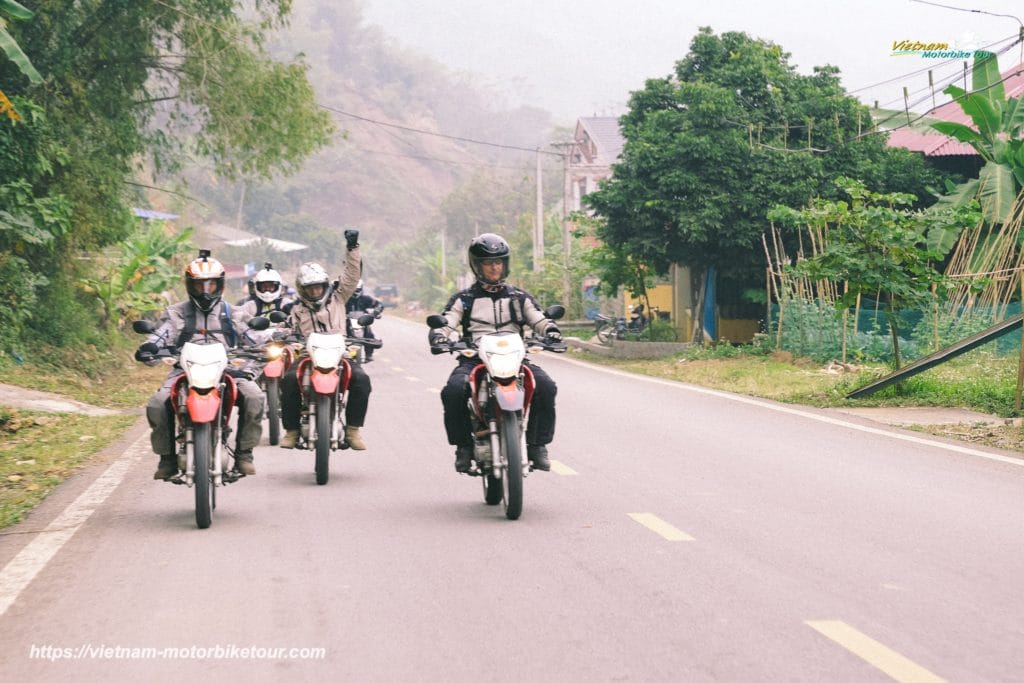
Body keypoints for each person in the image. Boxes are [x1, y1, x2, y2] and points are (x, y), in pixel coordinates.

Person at [429, 233, 562, 472]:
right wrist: (440, 335)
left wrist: (551, 331)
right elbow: (448, 321)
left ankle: (537, 446)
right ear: (477, 266)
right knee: (453, 391)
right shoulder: (464, 299)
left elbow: (539, 320)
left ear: (505, 264)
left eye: (498, 262)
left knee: (546, 387)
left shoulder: (519, 297)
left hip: (515, 357)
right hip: (475, 358)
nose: (494, 267)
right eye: (488, 263)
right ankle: (464, 447)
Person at [138, 251, 265, 479]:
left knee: (255, 396)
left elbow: (253, 338)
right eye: (199, 286)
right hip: (183, 370)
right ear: (190, 286)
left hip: (225, 370)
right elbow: (161, 334)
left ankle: (244, 454)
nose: (205, 291)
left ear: (220, 285)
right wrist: (149, 347)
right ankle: (166, 458)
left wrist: (265, 348)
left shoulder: (232, 313)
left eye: (211, 285)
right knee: (157, 403)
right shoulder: (177, 313)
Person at [279, 229, 372, 450]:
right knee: (289, 381)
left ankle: (352, 430)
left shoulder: (339, 297)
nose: (315, 292)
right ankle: (291, 430)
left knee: (362, 380)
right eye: (310, 289)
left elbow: (352, 275)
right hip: (306, 356)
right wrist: (279, 335)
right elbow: (285, 328)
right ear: (302, 290)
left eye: (318, 287)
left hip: (339, 355)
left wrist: (352, 247)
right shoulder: (297, 310)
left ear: (325, 285)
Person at [234, 262, 294, 346]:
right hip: (258, 347)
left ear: (277, 287)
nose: (267, 290)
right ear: (258, 287)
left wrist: (287, 329)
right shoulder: (250, 305)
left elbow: (297, 320)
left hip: (284, 345)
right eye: (264, 287)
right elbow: (237, 318)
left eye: (271, 287)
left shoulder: (287, 303)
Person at [345, 279, 383, 361]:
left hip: (362, 321)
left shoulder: (365, 299)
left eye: (357, 290)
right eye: (353, 290)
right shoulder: (344, 299)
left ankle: (369, 354)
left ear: (361, 289)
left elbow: (379, 304)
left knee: (369, 334)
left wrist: (376, 312)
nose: (355, 292)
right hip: (347, 322)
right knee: (340, 335)